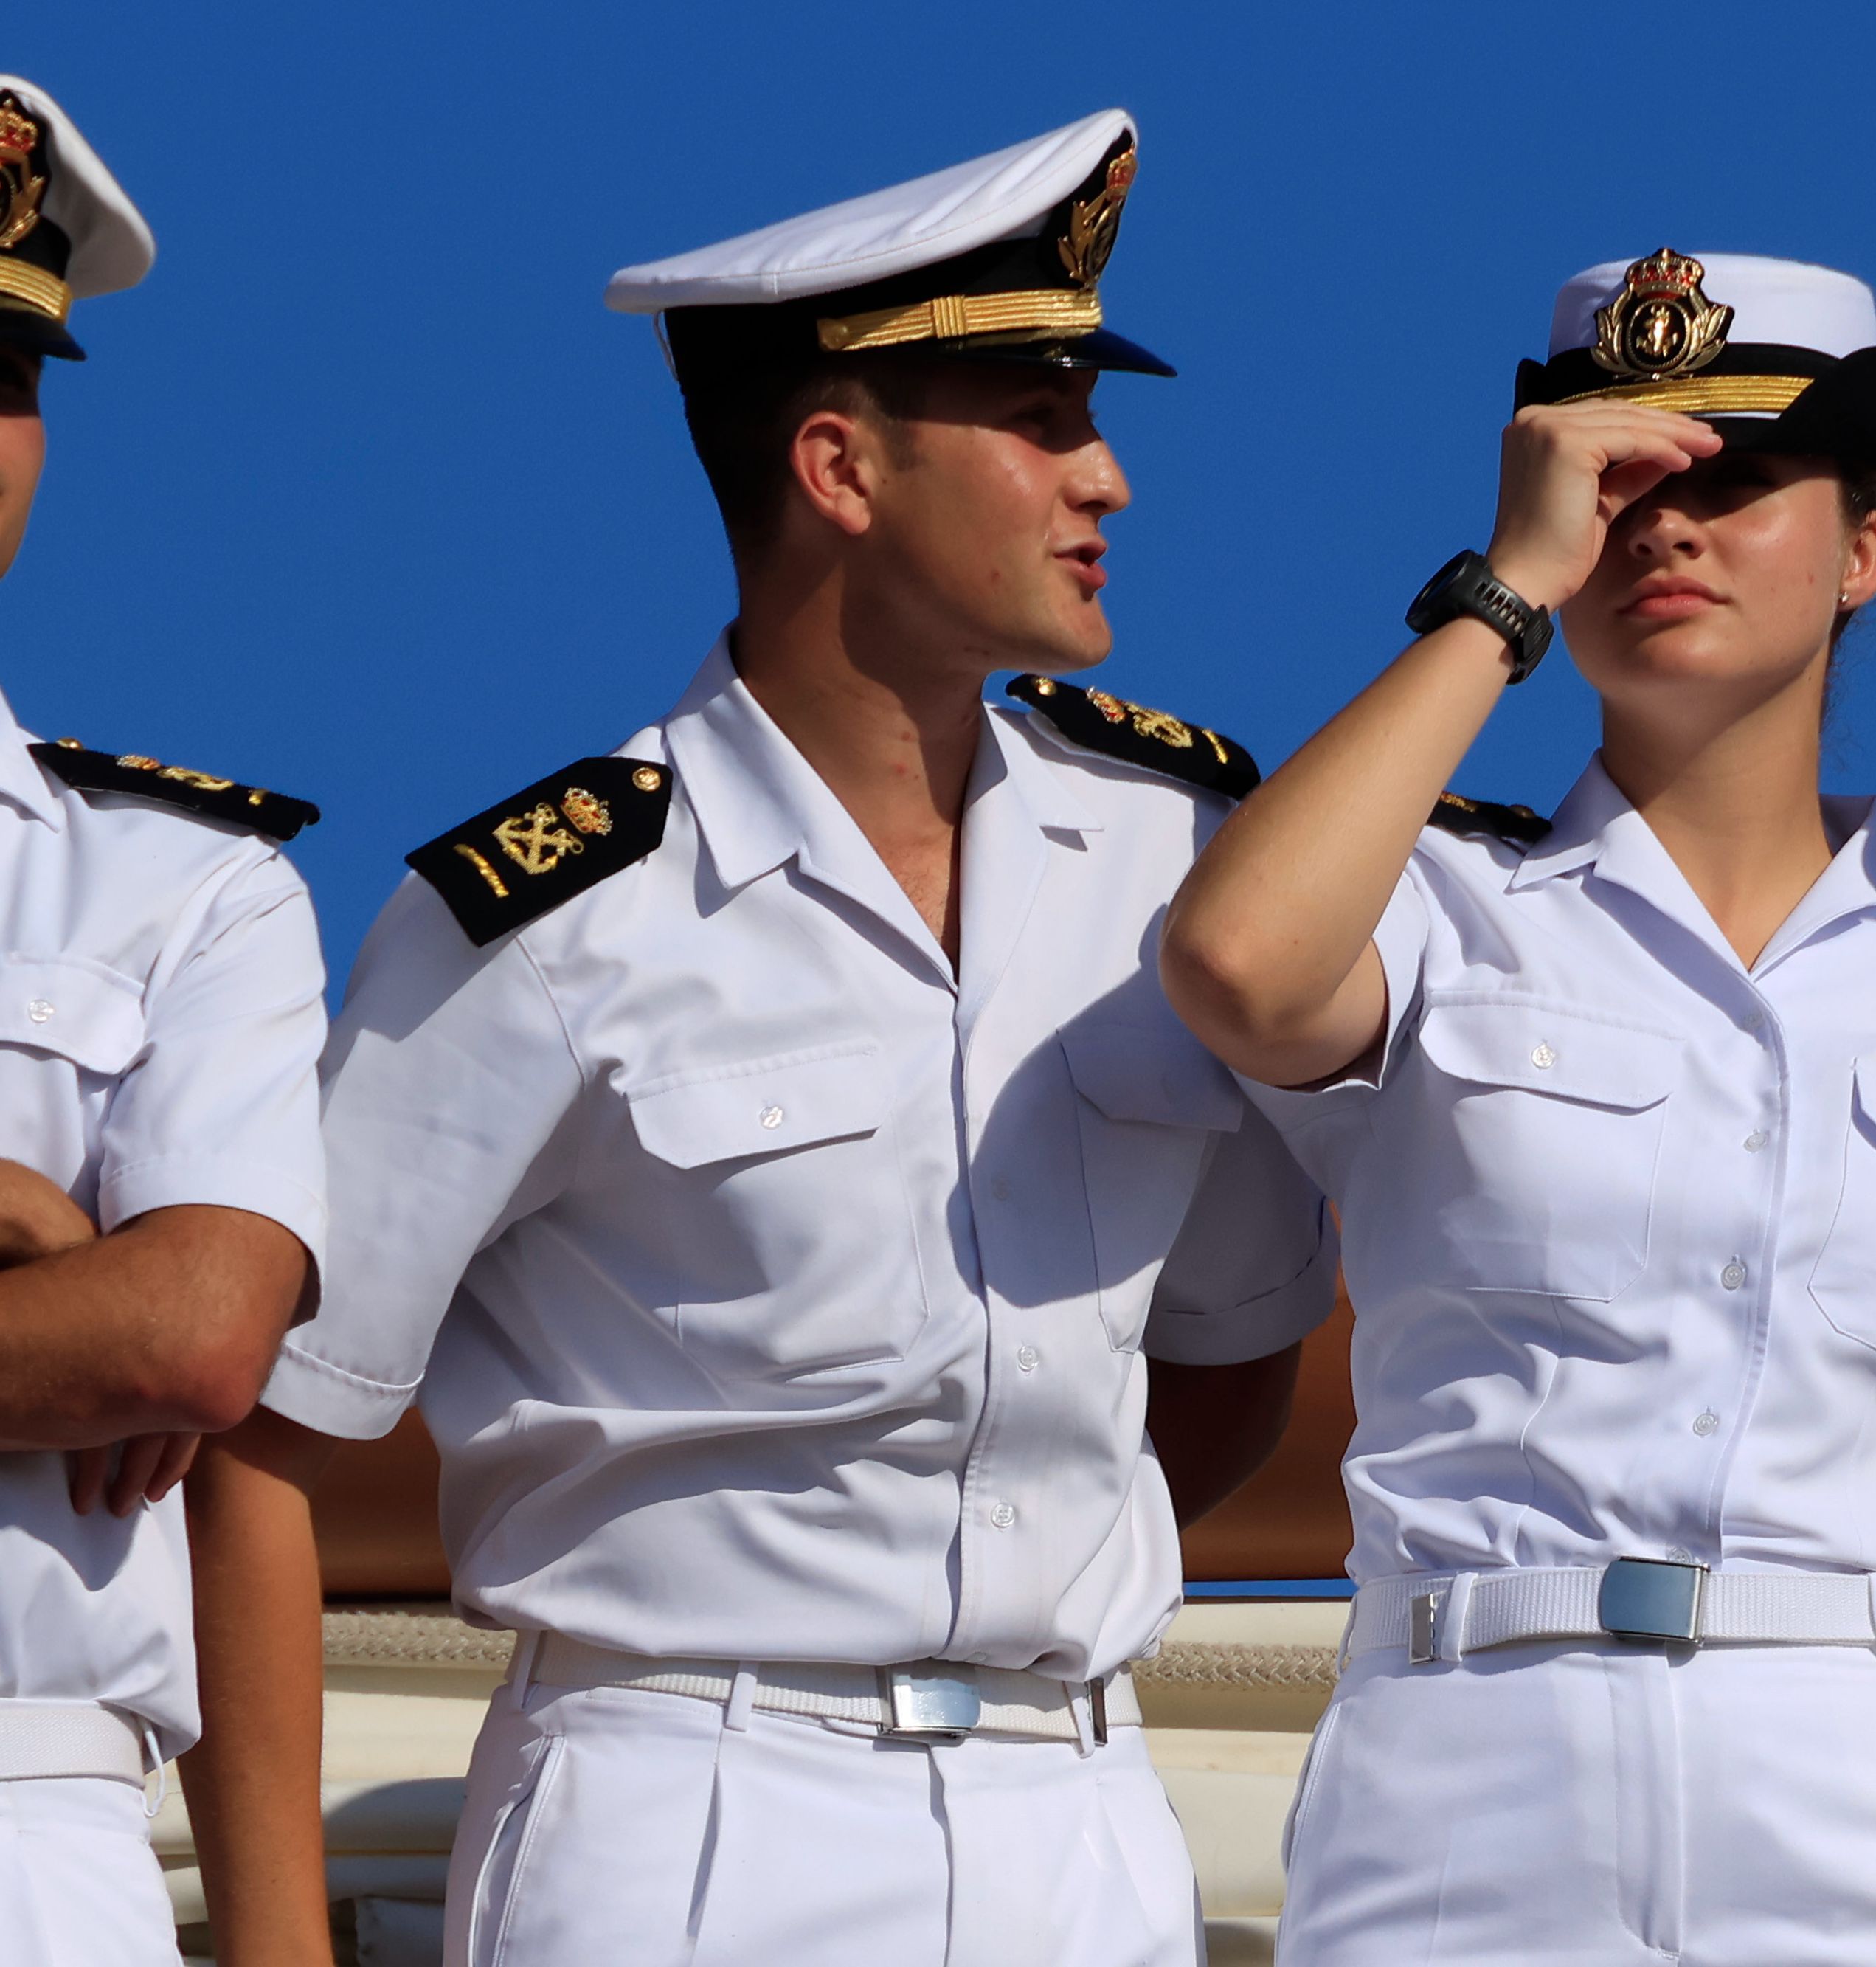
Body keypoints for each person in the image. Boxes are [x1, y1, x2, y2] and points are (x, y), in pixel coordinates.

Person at [179, 112, 1336, 1967]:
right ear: (837, 465)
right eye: (1038, 421)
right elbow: (257, 1445)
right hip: (690, 1816)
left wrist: (1001, 1565)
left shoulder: (1174, 852)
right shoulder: (553, 914)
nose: (1104, 477)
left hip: (1081, 1815)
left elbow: (1225, 1354)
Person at [1158, 249, 1876, 1964]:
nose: (1665, 527)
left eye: (1733, 482)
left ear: (1866, 548)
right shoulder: (1434, 904)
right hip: (1472, 1754)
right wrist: (1506, 586)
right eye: (1620, 484)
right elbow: (1236, 967)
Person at [0, 73, 329, 1965]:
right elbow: (115, 1324)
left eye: (8, 369)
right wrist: (37, 1243)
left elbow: (200, 1342)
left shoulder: (185, 888)